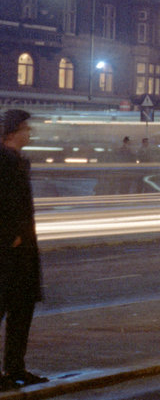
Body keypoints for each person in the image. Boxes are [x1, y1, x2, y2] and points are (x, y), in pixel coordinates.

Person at [1, 109, 47, 389]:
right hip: (7, 251)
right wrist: (9, 237)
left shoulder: (18, 161)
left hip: (22, 250)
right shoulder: (3, 162)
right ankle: (12, 369)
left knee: (21, 310)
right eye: (25, 129)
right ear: (12, 133)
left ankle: (16, 369)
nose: (29, 133)